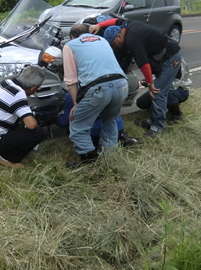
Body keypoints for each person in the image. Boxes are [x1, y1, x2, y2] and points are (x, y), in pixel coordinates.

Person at [98, 19, 182, 138]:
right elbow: (116, 20)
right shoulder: (126, 26)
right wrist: (98, 25)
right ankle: (153, 120)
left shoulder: (132, 40)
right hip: (161, 55)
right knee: (156, 90)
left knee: (157, 91)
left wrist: (150, 82)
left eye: (113, 43)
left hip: (171, 56)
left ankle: (157, 127)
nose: (114, 46)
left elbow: (144, 64)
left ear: (118, 36)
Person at [64, 24, 129, 168]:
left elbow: (71, 80)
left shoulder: (70, 45)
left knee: (78, 126)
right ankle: (108, 160)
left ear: (72, 36)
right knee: (110, 121)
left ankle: (90, 164)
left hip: (98, 88)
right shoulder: (102, 40)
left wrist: (76, 104)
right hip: (121, 84)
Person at [0, 66, 46, 168]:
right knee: (38, 133)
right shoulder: (18, 94)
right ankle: (4, 159)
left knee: (18, 120)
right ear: (33, 88)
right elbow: (31, 125)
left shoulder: (6, 82)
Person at [56, 92, 139, 148]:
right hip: (117, 127)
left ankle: (91, 151)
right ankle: (122, 137)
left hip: (94, 134)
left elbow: (64, 121)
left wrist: (55, 118)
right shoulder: (108, 84)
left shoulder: (74, 93)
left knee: (70, 127)